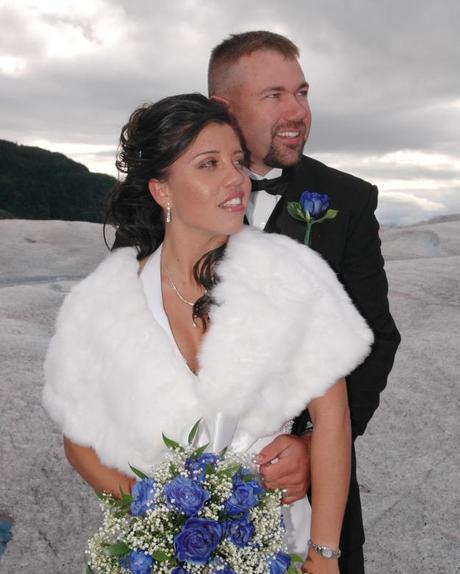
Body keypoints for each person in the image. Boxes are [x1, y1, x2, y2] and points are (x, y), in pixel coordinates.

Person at [43, 94, 373, 574]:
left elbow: (334, 421)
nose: (236, 178)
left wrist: (325, 554)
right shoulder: (105, 301)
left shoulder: (290, 274)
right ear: (163, 191)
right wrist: (161, 520)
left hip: (285, 543)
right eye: (209, 164)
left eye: (238, 161)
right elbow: (79, 442)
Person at [208, 31, 401, 574]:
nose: (297, 112)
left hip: (314, 499)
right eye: (274, 96)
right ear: (224, 107)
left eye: (302, 92)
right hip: (193, 491)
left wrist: (310, 446)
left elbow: (376, 337)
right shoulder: (167, 196)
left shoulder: (349, 200)